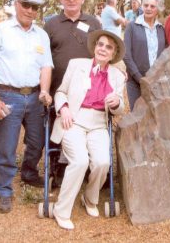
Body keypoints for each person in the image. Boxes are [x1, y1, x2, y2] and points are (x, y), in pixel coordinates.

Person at [0, 0, 54, 213]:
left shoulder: (41, 35)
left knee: (37, 141)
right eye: (25, 5)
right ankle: (4, 190)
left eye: (34, 7)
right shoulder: (0, 31)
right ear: (16, 5)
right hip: (7, 95)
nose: (30, 11)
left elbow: (46, 66)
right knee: (7, 146)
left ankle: (29, 174)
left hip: (34, 97)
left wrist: (44, 91)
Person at [50, 30, 126, 230]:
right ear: (95, 47)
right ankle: (61, 210)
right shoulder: (77, 65)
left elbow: (121, 107)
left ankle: (90, 198)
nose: (103, 49)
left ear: (113, 53)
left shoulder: (117, 75)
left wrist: (117, 101)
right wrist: (63, 108)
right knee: (80, 161)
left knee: (103, 162)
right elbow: (60, 92)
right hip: (73, 120)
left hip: (98, 122)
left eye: (108, 47)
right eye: (100, 44)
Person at [44, 0, 102, 184]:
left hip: (86, 91)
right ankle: (57, 167)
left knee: (82, 127)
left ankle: (85, 167)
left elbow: (102, 54)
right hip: (57, 89)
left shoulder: (93, 23)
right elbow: (44, 59)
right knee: (57, 128)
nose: (71, 0)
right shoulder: (50, 24)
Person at [123, 0, 166, 110]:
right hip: (136, 83)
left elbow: (164, 55)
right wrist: (139, 78)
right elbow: (126, 54)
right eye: (146, 5)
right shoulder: (132, 26)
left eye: (152, 6)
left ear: (158, 9)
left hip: (156, 83)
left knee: (154, 117)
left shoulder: (161, 29)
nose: (148, 8)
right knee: (137, 118)